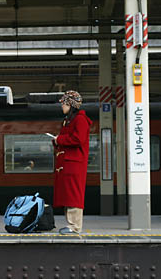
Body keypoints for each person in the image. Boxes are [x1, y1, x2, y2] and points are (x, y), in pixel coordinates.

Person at [52, 90, 92, 235]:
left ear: (71, 104)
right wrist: (56, 141)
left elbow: (78, 139)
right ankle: (71, 224)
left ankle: (75, 226)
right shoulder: (69, 120)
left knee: (73, 194)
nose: (62, 106)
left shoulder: (80, 120)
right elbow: (66, 139)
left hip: (74, 163)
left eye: (64, 103)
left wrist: (60, 140)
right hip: (68, 163)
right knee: (68, 194)